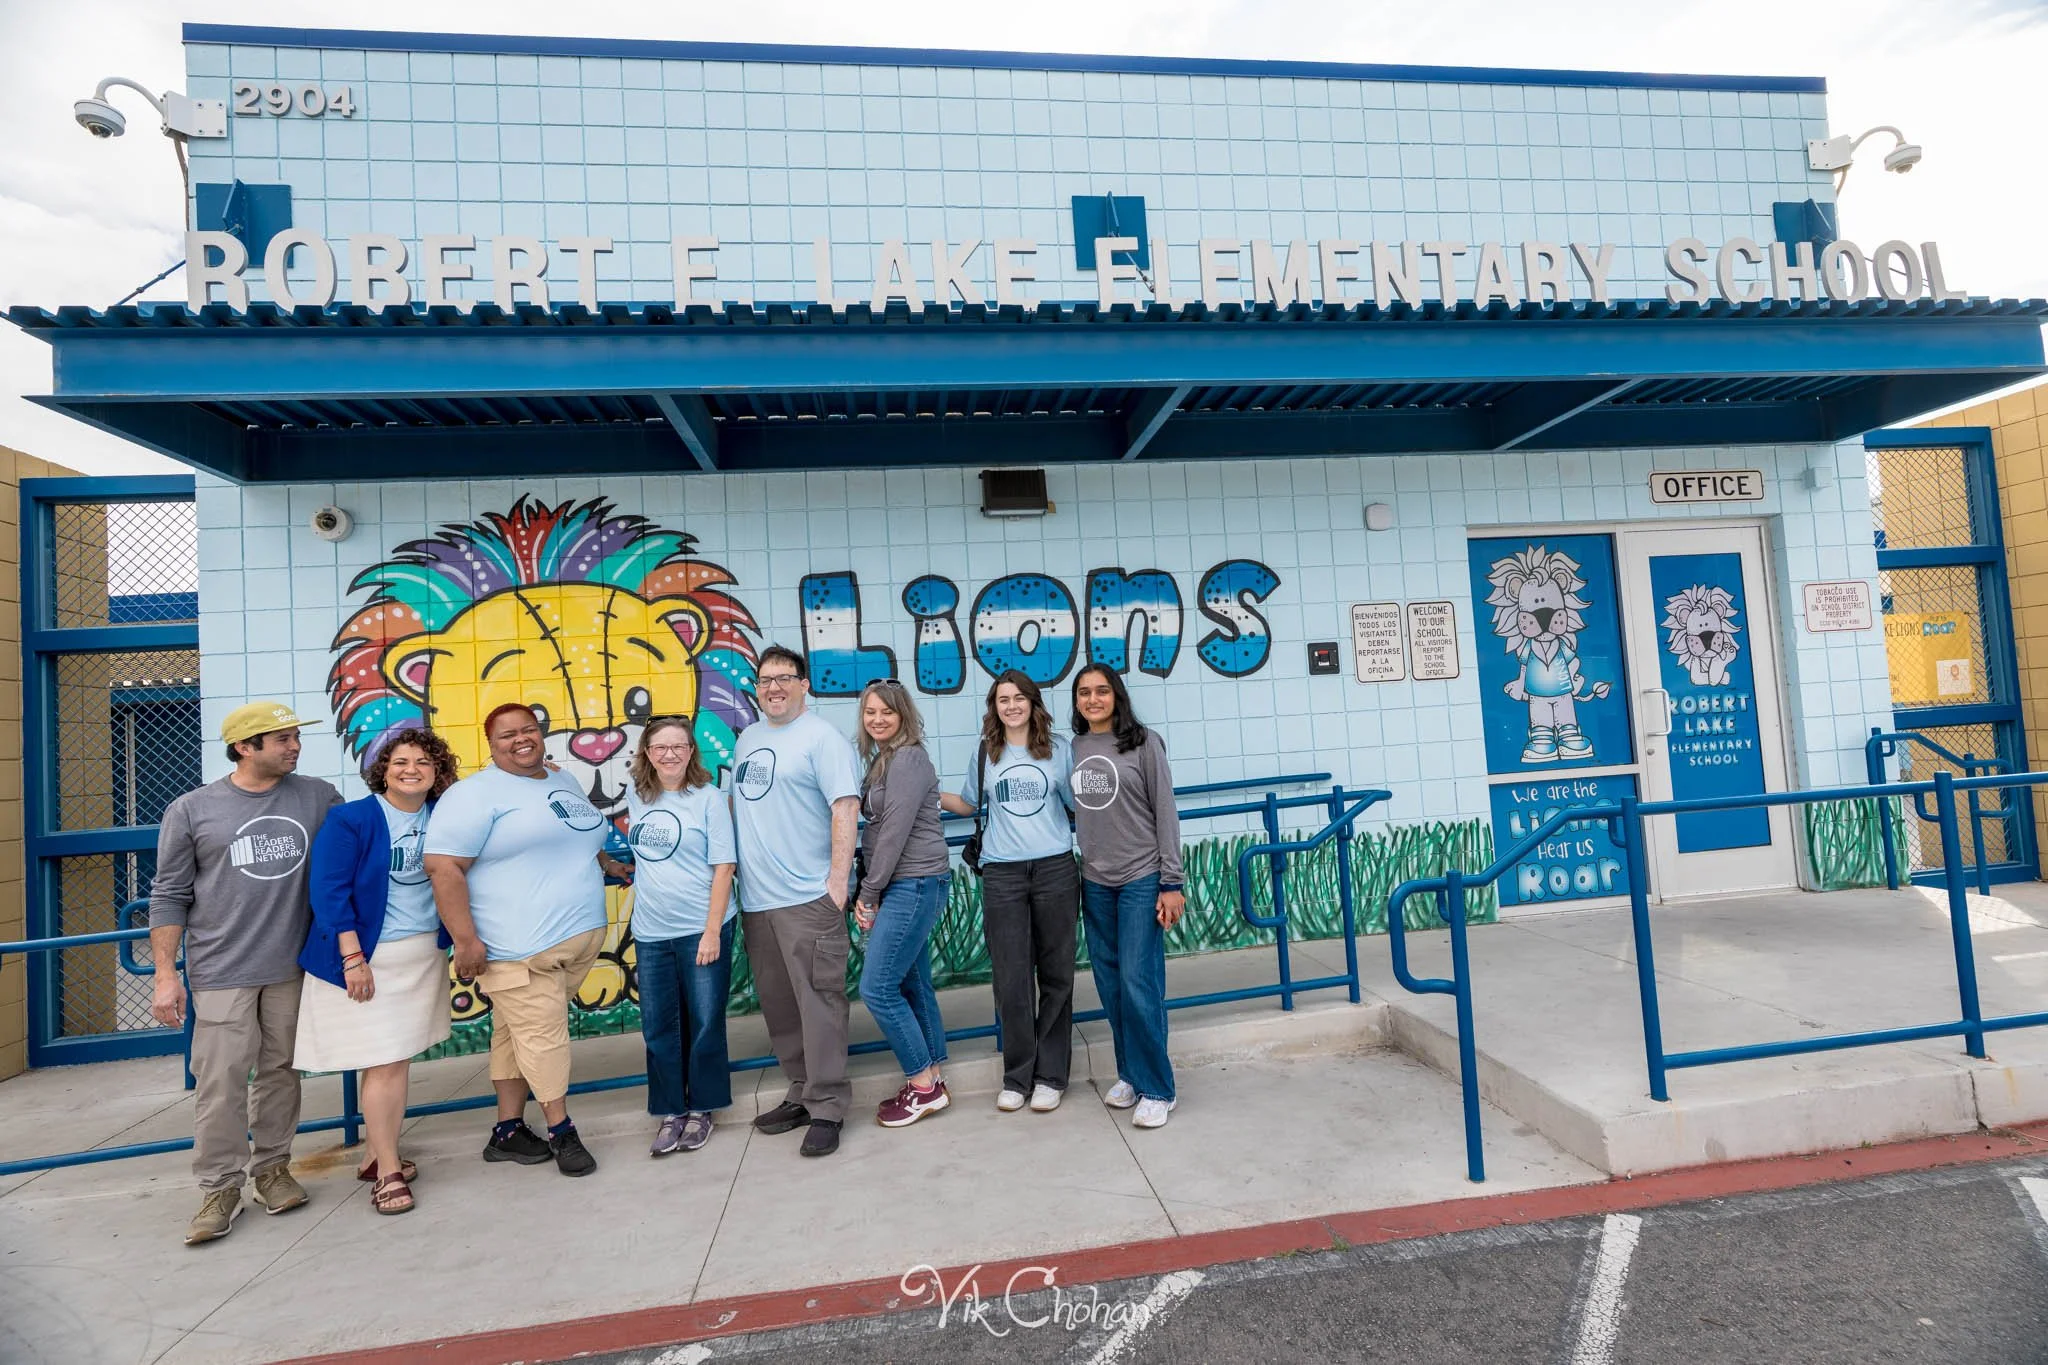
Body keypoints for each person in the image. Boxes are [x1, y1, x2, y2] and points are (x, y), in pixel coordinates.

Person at [149, 700, 342, 1245]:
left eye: (294, 738)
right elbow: (168, 895)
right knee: (220, 1082)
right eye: (281, 739)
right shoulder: (192, 809)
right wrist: (166, 976)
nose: (295, 747)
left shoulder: (317, 795)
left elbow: (349, 856)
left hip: (291, 966)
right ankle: (219, 1186)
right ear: (243, 747)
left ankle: (273, 1169)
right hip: (221, 970)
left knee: (281, 1072)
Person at [424, 703, 616, 1177]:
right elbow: (443, 868)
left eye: (528, 729)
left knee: (515, 1035)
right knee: (544, 1038)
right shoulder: (473, 795)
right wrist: (464, 940)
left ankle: (507, 1131)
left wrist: (609, 865)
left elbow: (573, 837)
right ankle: (561, 1130)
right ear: (489, 743)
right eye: (507, 734)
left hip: (574, 940)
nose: (521, 739)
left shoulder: (560, 780)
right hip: (517, 948)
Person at [293, 728, 460, 1216]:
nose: (412, 769)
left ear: (437, 772)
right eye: (400, 761)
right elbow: (329, 891)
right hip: (368, 958)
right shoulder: (352, 819)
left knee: (394, 1061)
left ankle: (374, 1154)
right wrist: (352, 958)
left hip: (421, 954)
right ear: (383, 770)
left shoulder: (444, 817)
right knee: (385, 1063)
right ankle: (388, 1172)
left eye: (423, 762)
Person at [730, 645, 862, 1157]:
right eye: (765, 679)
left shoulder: (822, 739)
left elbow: (844, 808)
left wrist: (837, 883)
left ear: (805, 685)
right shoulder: (748, 739)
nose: (774, 687)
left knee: (820, 1001)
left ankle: (828, 1105)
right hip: (759, 901)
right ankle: (801, 1089)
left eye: (785, 677)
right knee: (781, 1004)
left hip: (808, 896)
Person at [940, 670, 1078, 1114]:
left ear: (1033, 703)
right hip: (1002, 874)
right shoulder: (986, 753)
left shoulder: (1059, 750)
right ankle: (1018, 1076)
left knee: (1056, 975)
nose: (1012, 706)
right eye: (1003, 700)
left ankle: (1051, 1076)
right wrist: (928, 791)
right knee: (1011, 977)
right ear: (994, 707)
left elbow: (1081, 806)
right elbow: (967, 802)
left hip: (1056, 868)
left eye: (1019, 698)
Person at [1069, 665, 1186, 1130]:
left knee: (1140, 983)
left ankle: (1159, 1087)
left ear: (1116, 696)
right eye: (1084, 693)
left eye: (1101, 691)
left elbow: (1166, 811)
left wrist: (1171, 882)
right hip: (1095, 881)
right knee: (1111, 984)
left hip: (1142, 877)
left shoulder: (1143, 742)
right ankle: (1131, 1075)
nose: (1093, 699)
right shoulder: (1073, 748)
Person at [623, 716, 738, 1156]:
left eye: (678, 747)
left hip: (700, 929)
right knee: (659, 1026)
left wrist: (712, 932)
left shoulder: (708, 799)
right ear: (647, 754)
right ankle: (671, 1110)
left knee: (705, 1021)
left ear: (691, 752)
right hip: (652, 932)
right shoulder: (639, 796)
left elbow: (723, 866)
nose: (669, 754)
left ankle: (703, 1109)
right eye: (659, 747)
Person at [852, 680, 953, 1127]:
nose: (877, 719)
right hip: (903, 884)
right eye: (870, 712)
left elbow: (892, 831)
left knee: (876, 988)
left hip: (911, 884)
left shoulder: (908, 758)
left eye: (887, 712)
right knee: (912, 983)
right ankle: (933, 1074)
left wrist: (868, 894)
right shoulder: (883, 759)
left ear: (903, 715)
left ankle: (923, 1086)